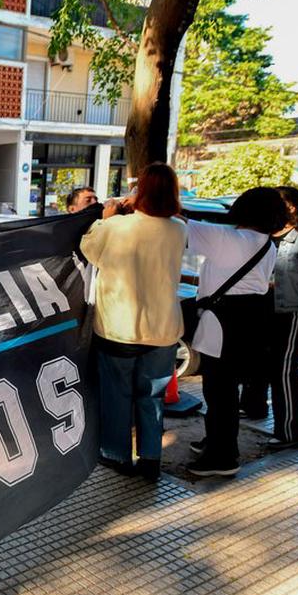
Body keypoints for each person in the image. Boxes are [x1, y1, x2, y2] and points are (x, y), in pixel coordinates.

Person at [80, 163, 186, 482]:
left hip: (119, 328)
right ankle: (151, 459)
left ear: (140, 191)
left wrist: (107, 217)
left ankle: (118, 455)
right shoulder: (179, 229)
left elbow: (89, 250)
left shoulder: (116, 227)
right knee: (152, 397)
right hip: (164, 329)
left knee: (117, 395)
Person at [184, 188, 288, 478]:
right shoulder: (267, 243)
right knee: (227, 390)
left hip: (224, 321)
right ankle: (217, 440)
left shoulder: (229, 238)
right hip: (250, 319)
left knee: (219, 392)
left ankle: (223, 456)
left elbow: (179, 224)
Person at [241, 186, 298, 450]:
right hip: (261, 309)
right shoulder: (262, 235)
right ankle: (253, 407)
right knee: (255, 363)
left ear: (291, 206)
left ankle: (292, 430)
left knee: (283, 372)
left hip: (290, 312)